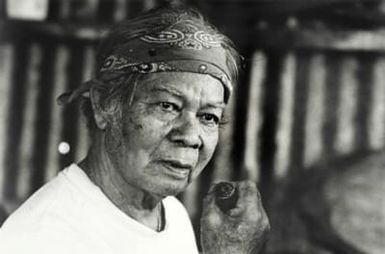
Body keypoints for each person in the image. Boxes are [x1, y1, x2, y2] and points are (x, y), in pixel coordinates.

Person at [0, 3, 269, 254]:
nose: (190, 136)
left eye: (209, 117)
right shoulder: (43, 239)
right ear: (103, 106)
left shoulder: (172, 215)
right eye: (167, 105)